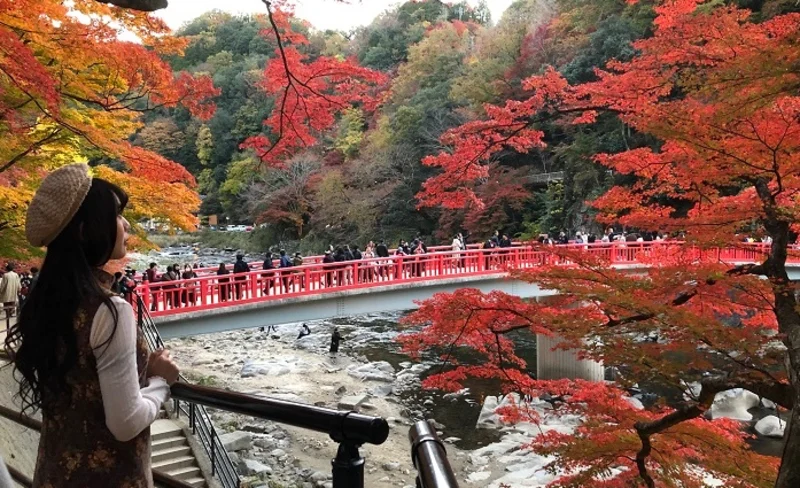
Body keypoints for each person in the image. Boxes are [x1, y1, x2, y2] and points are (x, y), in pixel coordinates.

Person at [5, 163, 179, 487]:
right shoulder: (110, 310)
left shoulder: (43, 306)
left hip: (53, 473)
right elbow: (125, 422)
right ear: (84, 231)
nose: (126, 225)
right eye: (117, 215)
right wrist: (160, 382)